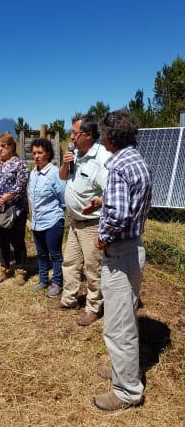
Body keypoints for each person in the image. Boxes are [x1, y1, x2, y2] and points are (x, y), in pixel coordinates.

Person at [91, 110, 152, 411]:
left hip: (120, 251)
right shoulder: (135, 159)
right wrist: (105, 201)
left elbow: (118, 214)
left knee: (118, 325)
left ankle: (127, 390)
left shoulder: (116, 166)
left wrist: (103, 237)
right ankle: (122, 370)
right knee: (126, 316)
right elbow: (131, 199)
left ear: (108, 137)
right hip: (134, 248)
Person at [54, 114, 111, 326]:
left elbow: (111, 191)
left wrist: (99, 202)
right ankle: (68, 300)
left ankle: (94, 307)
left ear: (87, 134)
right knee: (70, 263)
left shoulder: (102, 158)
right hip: (76, 223)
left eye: (74, 133)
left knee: (93, 269)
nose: (71, 137)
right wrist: (64, 163)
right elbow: (63, 177)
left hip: (92, 225)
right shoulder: (75, 154)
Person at [0, 132, 30, 284]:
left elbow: (20, 185)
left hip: (16, 209)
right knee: (2, 241)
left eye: (3, 145)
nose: (0, 149)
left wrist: (3, 198)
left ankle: (20, 270)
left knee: (17, 240)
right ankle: (3, 269)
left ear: (12, 146)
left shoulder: (20, 164)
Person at [27, 138, 66, 297]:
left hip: (52, 221)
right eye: (34, 153)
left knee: (55, 254)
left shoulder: (55, 173)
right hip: (37, 222)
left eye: (40, 153)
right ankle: (43, 280)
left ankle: (57, 283)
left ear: (48, 153)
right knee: (41, 254)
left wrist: (60, 217)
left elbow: (63, 197)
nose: (36, 156)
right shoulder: (33, 173)